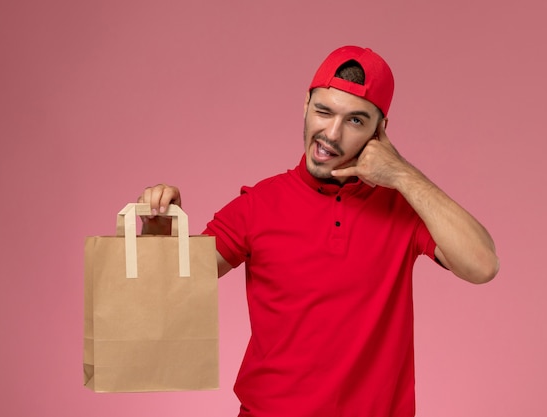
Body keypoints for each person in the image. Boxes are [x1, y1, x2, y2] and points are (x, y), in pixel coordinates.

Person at [139, 45, 499, 417]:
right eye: (323, 111)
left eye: (356, 121)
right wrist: (158, 230)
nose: (331, 134)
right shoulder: (258, 204)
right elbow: (170, 287)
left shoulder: (403, 207)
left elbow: (482, 264)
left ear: (381, 131)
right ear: (305, 106)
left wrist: (403, 174)